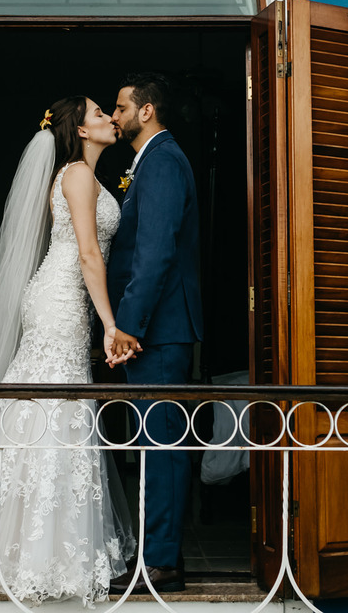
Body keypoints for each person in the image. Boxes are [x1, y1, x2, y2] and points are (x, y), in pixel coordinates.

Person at [0, 96, 136, 607]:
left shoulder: (82, 175)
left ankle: (40, 545)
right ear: (81, 131)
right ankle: (34, 553)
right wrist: (111, 325)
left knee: (50, 411)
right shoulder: (79, 177)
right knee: (54, 409)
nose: (110, 118)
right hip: (62, 299)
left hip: (63, 298)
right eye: (98, 114)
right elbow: (89, 253)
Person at [105, 73, 204, 594]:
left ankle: (161, 562)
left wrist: (127, 325)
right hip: (156, 329)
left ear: (146, 111)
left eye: (121, 107)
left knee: (161, 446)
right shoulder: (150, 161)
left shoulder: (163, 161)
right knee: (152, 442)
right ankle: (156, 554)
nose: (115, 116)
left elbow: (156, 251)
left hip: (159, 332)